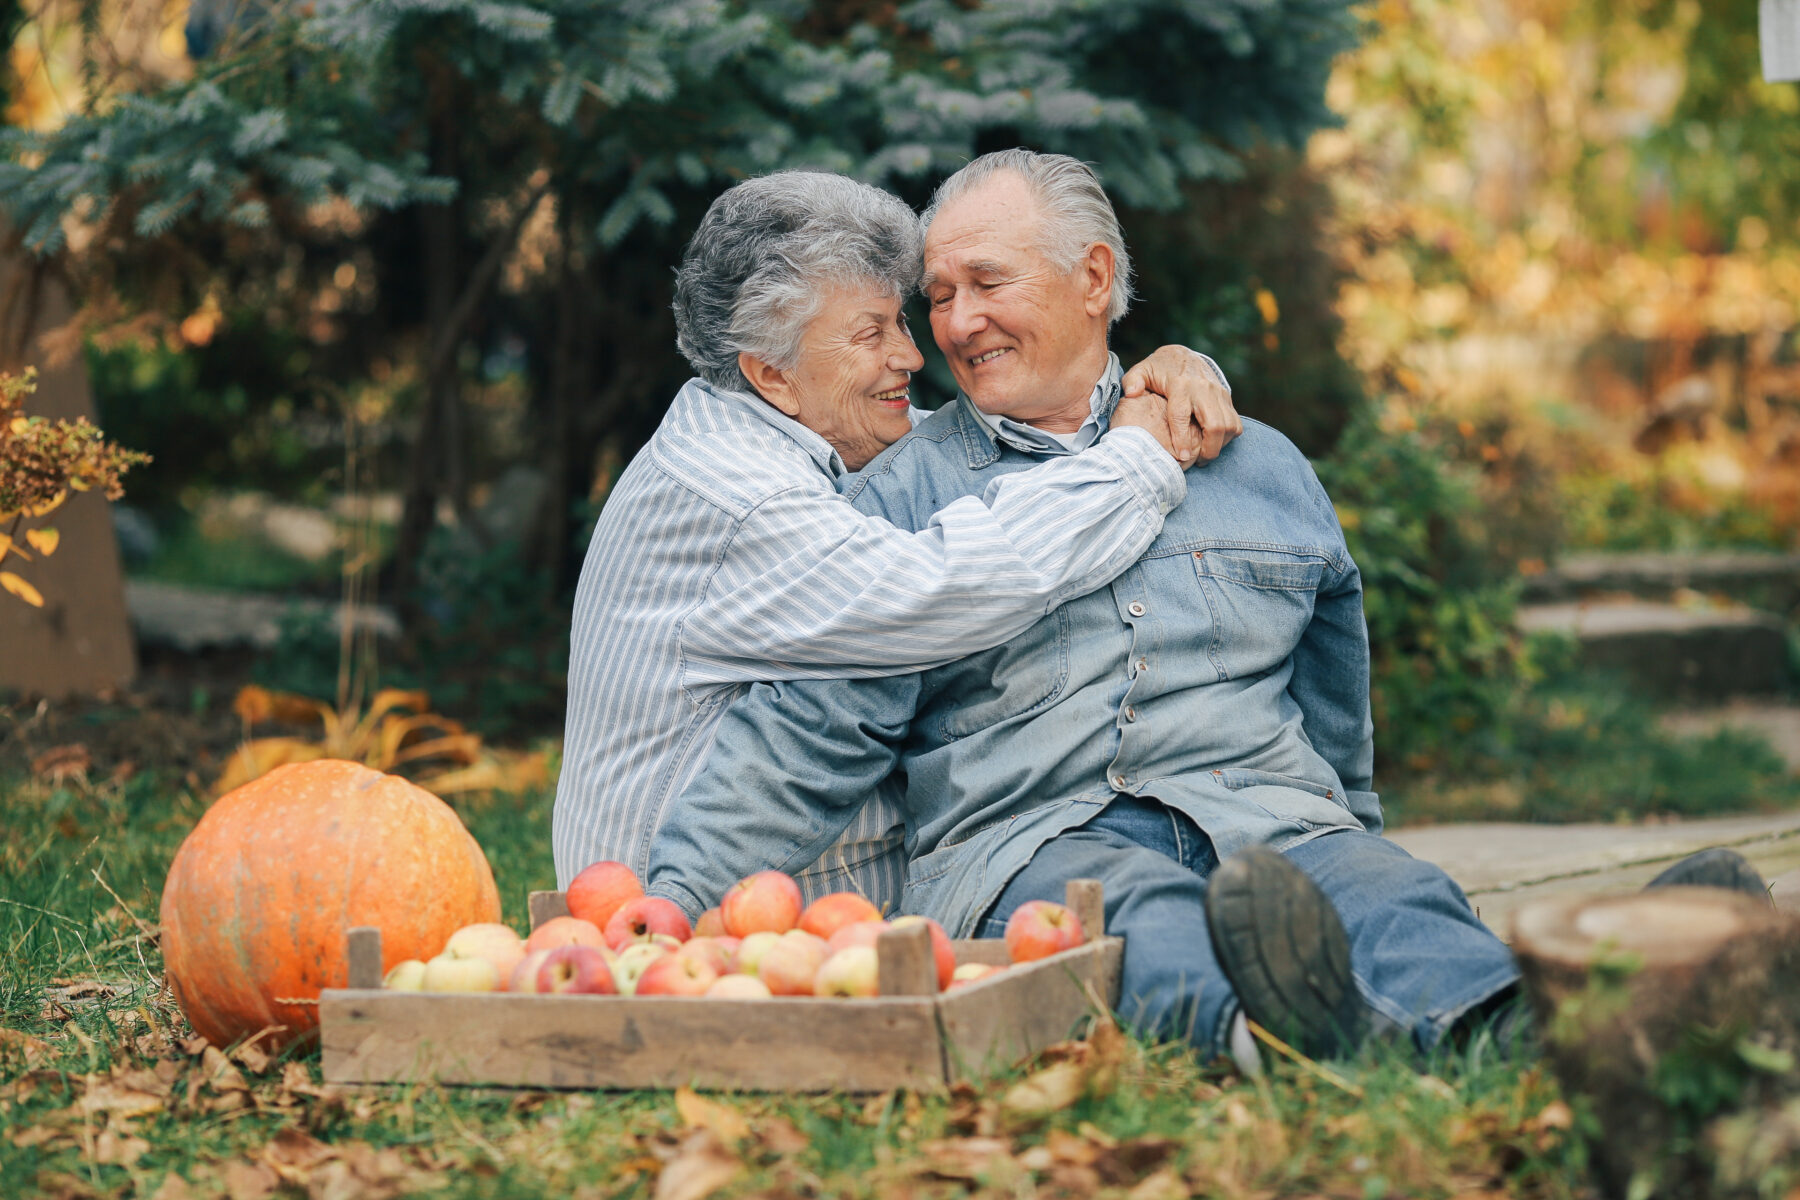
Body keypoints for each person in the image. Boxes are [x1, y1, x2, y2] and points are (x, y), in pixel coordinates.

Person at [643, 149, 1523, 1068]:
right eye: (938, 295)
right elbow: (812, 726)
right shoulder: (904, 493)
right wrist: (673, 894)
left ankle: (1523, 1025)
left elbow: (1335, 700)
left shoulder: (1257, 463)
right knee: (1126, 923)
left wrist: (1346, 835)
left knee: (1389, 899)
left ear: (1093, 276)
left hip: (1266, 819)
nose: (955, 322)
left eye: (986, 282)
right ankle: (1277, 1040)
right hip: (1036, 844)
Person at [552, 169, 1242, 905]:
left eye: (903, 322)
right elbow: (950, 586)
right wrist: (1138, 459)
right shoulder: (735, 495)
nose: (911, 358)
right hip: (676, 921)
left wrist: (1170, 373)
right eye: (870, 334)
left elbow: (1004, 445)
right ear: (772, 375)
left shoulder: (805, 426)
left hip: (794, 910)